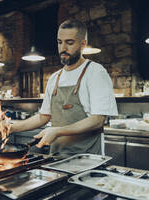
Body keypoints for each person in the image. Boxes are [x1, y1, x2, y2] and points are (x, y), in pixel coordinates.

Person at [10, 19, 118, 157]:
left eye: (69, 42)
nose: (63, 48)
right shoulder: (55, 78)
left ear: (83, 44)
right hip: (56, 157)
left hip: (87, 159)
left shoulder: (96, 72)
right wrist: (11, 128)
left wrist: (57, 131)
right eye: (60, 42)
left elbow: (97, 120)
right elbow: (43, 117)